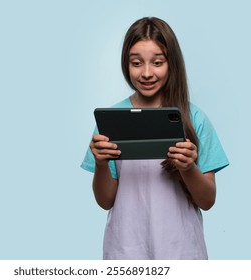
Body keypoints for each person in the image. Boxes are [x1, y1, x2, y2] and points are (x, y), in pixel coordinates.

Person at [81, 17, 229, 260]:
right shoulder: (111, 121)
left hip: (182, 251)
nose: (147, 73)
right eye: (136, 63)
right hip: (127, 252)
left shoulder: (194, 119)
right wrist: (100, 164)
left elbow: (207, 200)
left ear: (172, 64)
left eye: (157, 62)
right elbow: (105, 201)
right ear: (126, 64)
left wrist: (188, 167)